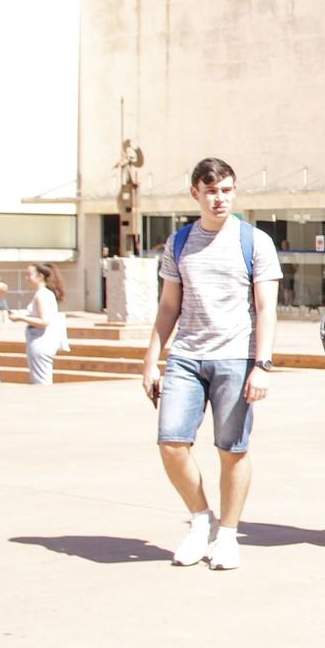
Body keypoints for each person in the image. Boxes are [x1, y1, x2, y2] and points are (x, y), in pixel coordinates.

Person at [138, 159, 282, 569]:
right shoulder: (180, 241)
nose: (220, 198)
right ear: (195, 194)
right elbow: (169, 306)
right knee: (171, 443)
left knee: (231, 449)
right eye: (211, 191)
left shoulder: (254, 242)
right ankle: (201, 520)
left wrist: (263, 364)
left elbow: (266, 308)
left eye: (226, 190)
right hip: (186, 355)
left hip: (236, 356)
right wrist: (152, 360)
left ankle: (229, 535)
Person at [11, 263, 70, 385]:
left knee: (41, 380)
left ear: (40, 276)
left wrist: (21, 318)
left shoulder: (41, 295)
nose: (26, 278)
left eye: (29, 275)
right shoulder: (45, 293)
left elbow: (44, 321)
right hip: (43, 340)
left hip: (40, 341)